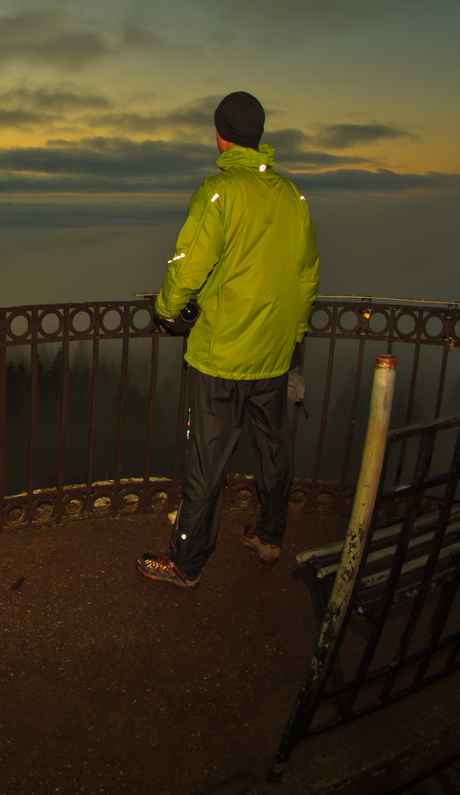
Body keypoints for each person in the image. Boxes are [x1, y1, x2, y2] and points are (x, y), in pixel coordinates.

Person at [138, 91, 319, 589]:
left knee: (206, 464)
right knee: (274, 451)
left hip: (222, 355)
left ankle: (185, 563)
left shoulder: (217, 193)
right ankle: (269, 536)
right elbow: (306, 278)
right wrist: (293, 335)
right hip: (274, 354)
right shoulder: (291, 196)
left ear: (219, 135)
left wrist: (166, 310)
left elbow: (188, 265)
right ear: (257, 136)